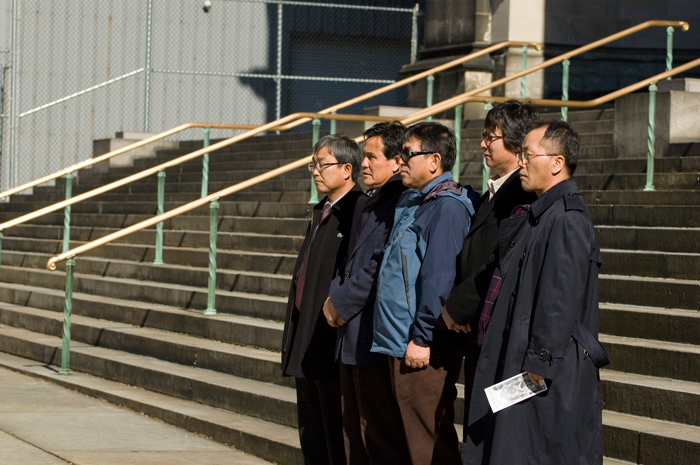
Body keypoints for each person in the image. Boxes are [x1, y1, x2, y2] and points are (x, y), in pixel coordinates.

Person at [464, 121, 609, 465]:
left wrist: (538, 363)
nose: (521, 163)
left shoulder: (567, 218)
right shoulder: (541, 213)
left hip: (541, 369)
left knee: (532, 450)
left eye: (528, 155)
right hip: (525, 358)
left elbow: (559, 301)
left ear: (557, 163)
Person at [371, 121, 476, 465]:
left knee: (427, 444)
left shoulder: (447, 207)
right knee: (402, 439)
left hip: (420, 346)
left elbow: (439, 281)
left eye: (407, 154)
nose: (400, 161)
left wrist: (423, 337)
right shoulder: (416, 201)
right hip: (398, 340)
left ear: (433, 161)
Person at [441, 100, 539, 432]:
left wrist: (459, 308)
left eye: (490, 137)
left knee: (494, 428)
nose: (482, 144)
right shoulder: (495, 192)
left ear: (514, 142)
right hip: (477, 326)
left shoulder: (520, 194)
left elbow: (496, 260)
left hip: (495, 328)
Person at [321, 121, 411, 465]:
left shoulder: (399, 201)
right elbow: (349, 260)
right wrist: (334, 294)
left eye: (372, 157)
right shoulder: (369, 201)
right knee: (353, 429)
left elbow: (379, 265)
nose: (364, 163)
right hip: (351, 334)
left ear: (396, 161)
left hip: (373, 334)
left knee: (377, 432)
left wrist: (341, 301)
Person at [281, 134, 363, 465]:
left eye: (322, 164)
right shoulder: (322, 210)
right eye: (312, 164)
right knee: (311, 430)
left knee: (334, 432)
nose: (315, 171)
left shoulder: (357, 210)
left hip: (331, 338)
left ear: (347, 169)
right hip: (306, 336)